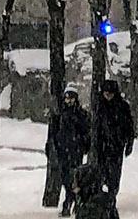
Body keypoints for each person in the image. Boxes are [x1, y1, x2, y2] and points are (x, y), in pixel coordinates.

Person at [45, 86, 91, 217]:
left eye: (71, 98)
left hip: (76, 152)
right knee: (66, 179)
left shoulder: (81, 115)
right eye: (67, 98)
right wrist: (51, 147)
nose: (69, 101)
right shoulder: (59, 116)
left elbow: (86, 133)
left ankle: (69, 203)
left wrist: (84, 145)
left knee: (74, 179)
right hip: (62, 152)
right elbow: (53, 134)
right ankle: (73, 201)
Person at [93, 78, 136, 200]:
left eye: (110, 93)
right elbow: (96, 126)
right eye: (105, 92)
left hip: (117, 146)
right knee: (101, 173)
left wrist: (129, 143)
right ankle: (102, 196)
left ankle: (112, 196)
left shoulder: (122, 107)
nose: (107, 95)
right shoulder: (99, 106)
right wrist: (95, 143)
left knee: (114, 174)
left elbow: (129, 126)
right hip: (102, 146)